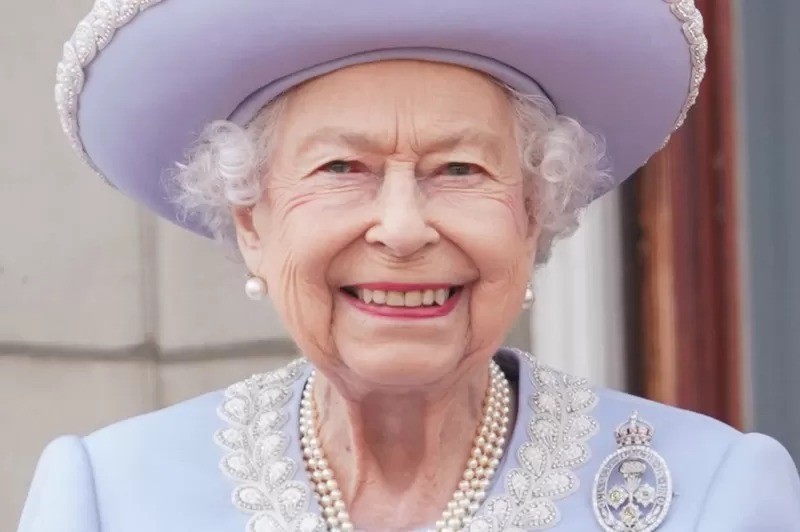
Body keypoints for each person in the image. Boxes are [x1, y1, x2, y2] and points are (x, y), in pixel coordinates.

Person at [19, 0, 800, 530]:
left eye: (459, 169)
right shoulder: (111, 499)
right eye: (340, 169)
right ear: (251, 220)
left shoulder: (708, 496)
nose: (401, 228)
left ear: (533, 213)